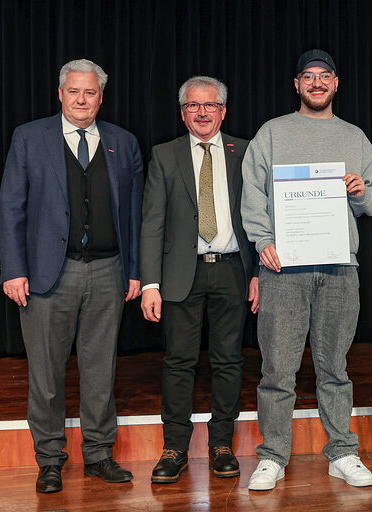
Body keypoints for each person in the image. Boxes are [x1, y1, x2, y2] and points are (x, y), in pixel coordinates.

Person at [0, 59, 143, 493]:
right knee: (46, 375)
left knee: (101, 371)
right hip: (46, 278)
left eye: (91, 93)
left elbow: (135, 216)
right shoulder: (29, 138)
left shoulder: (123, 142)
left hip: (107, 270)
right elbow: (10, 208)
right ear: (60, 94)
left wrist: (135, 271)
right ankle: (50, 460)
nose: (82, 100)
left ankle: (99, 454)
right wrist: (14, 270)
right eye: (74, 92)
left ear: (101, 96)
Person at [241, 49, 372, 491]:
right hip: (284, 271)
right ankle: (273, 457)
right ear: (296, 85)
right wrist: (263, 241)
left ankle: (342, 452)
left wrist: (360, 193)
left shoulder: (354, 137)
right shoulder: (272, 133)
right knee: (277, 369)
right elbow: (252, 193)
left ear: (336, 83)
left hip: (340, 268)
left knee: (335, 367)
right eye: (308, 76)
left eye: (325, 76)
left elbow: (371, 201)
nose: (317, 83)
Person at [139, 76, 258, 483]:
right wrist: (150, 283)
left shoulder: (245, 152)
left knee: (228, 360)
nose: (202, 112)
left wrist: (258, 273)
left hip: (232, 270)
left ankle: (221, 444)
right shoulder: (164, 155)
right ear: (182, 112)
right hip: (179, 274)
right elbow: (152, 223)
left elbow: (260, 218)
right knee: (178, 363)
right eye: (193, 106)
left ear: (223, 111)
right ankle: (174, 448)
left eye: (210, 105)